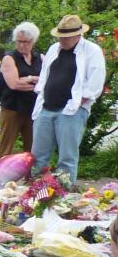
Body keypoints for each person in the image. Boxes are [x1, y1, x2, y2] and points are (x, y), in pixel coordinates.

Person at [31, 14, 107, 185]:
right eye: (60, 37)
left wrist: (81, 100)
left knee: (67, 157)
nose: (62, 40)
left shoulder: (91, 50)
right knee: (38, 156)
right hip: (46, 107)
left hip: (71, 110)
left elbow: (96, 80)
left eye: (65, 37)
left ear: (78, 35)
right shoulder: (53, 49)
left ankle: (62, 195)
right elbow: (45, 75)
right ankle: (34, 192)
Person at [0, 21, 42, 158]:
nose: (22, 45)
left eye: (26, 42)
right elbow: (14, 84)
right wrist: (34, 79)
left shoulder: (40, 58)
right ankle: (3, 177)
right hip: (12, 108)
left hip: (33, 109)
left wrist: (26, 79)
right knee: (6, 147)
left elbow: (46, 82)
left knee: (33, 148)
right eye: (19, 41)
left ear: (33, 41)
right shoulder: (9, 58)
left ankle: (32, 177)